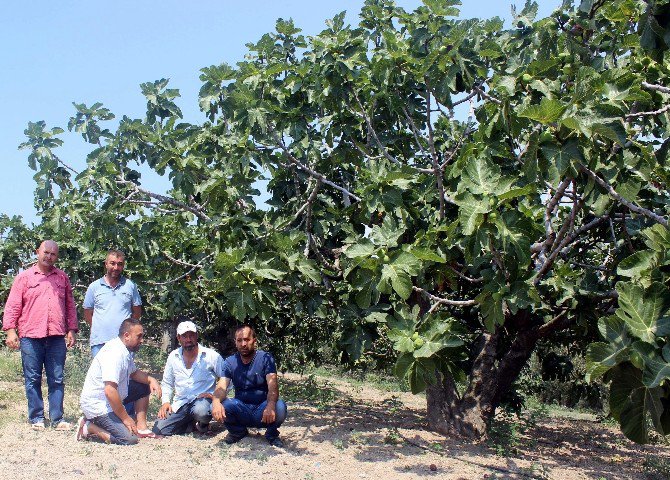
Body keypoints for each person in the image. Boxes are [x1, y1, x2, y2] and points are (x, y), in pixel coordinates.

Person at [2, 240, 78, 431]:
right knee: (33, 378)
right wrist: (11, 331)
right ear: (38, 252)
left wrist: (72, 330)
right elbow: (12, 306)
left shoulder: (62, 278)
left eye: (53, 254)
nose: (49, 256)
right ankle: (36, 417)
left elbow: (70, 306)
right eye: (46, 252)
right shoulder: (24, 278)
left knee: (57, 379)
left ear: (56, 256)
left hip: (56, 336)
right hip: (30, 336)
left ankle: (57, 418)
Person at [76, 318, 161, 445]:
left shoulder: (123, 350)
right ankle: (89, 427)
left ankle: (142, 428)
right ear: (126, 335)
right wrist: (126, 419)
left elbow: (134, 373)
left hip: (111, 399)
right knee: (128, 439)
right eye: (139, 336)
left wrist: (151, 379)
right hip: (98, 405)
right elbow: (109, 391)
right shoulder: (114, 353)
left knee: (143, 386)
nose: (142, 340)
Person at [211, 325, 288, 447]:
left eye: (247, 339)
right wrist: (215, 402)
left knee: (280, 406)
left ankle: (272, 434)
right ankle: (237, 432)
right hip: (241, 409)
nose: (243, 344)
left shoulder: (265, 358)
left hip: (263, 410)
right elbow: (221, 386)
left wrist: (271, 405)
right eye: (239, 340)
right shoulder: (230, 362)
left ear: (254, 341)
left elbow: (273, 385)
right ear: (235, 342)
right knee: (222, 404)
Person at [152, 321, 225, 436]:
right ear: (178, 338)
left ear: (196, 336)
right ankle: (190, 425)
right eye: (184, 336)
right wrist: (165, 402)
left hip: (202, 402)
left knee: (201, 411)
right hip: (181, 403)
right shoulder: (173, 357)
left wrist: (215, 397)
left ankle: (203, 424)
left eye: (191, 335)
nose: (188, 339)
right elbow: (167, 383)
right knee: (159, 429)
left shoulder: (211, 356)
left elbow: (226, 379)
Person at [83, 249, 142, 358]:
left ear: (123, 266)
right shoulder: (94, 287)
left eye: (119, 264)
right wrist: (99, 327)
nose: (116, 267)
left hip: (124, 342)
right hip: (100, 342)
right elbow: (87, 313)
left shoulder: (130, 286)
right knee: (100, 375)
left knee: (124, 374)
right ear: (106, 264)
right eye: (112, 263)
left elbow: (136, 313)